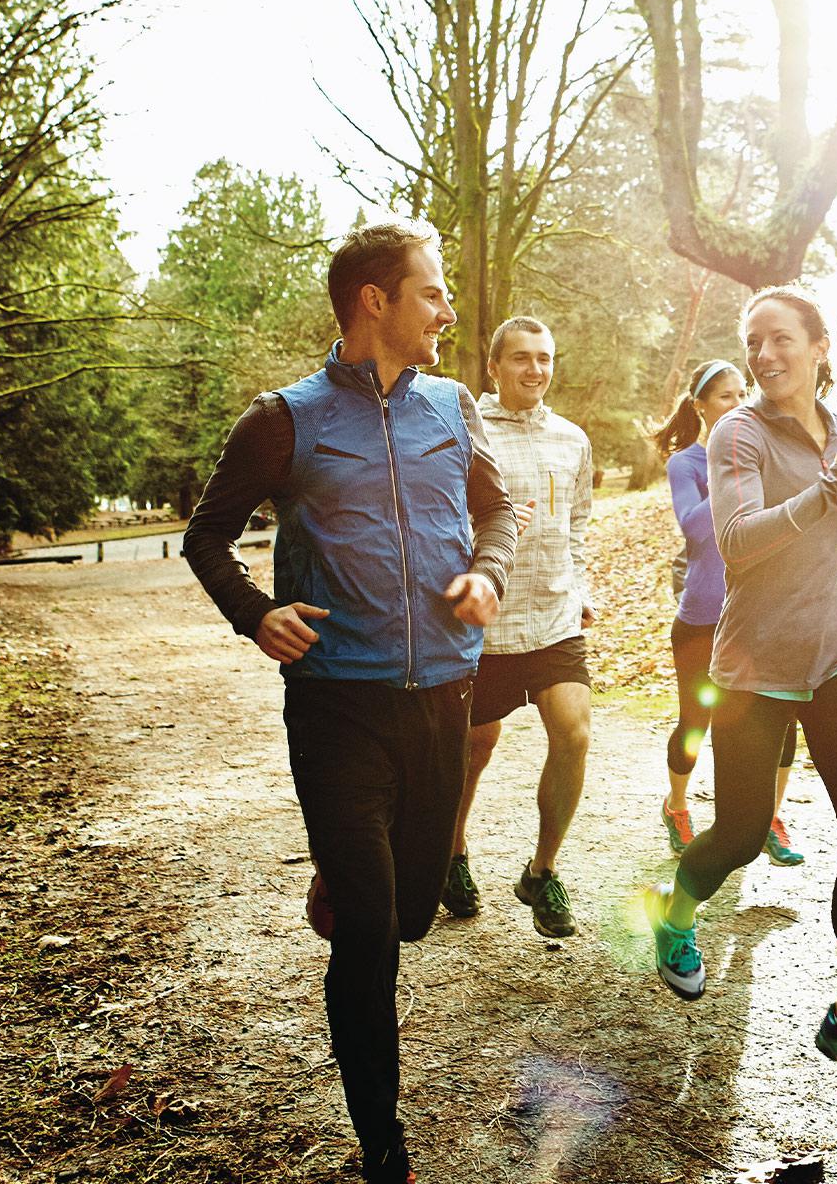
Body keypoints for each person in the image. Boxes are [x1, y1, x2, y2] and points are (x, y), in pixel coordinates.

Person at [184, 220, 515, 1183]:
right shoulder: (283, 419)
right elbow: (206, 536)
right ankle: (385, 1146)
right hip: (337, 706)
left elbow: (495, 512)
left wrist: (488, 575)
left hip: (443, 693)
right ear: (376, 300)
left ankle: (347, 873)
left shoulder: (453, 406)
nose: (448, 311)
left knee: (410, 909)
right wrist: (256, 613)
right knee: (373, 938)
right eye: (433, 293)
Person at [642, 285, 837, 1111]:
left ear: (820, 346)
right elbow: (738, 543)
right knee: (744, 835)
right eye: (753, 341)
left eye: (781, 338)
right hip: (753, 668)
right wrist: (833, 482)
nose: (764, 355)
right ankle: (677, 913)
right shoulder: (736, 431)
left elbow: (834, 531)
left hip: (836, 656)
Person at [440, 316, 595, 941]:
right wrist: (494, 536)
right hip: (487, 625)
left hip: (555, 616)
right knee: (473, 750)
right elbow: (442, 519)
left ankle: (543, 869)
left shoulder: (572, 438)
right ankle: (452, 855)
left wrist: (580, 586)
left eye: (545, 358)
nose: (536, 370)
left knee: (575, 731)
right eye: (522, 359)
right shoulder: (465, 431)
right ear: (495, 367)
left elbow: (578, 523)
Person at [651, 359, 804, 867]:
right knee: (697, 722)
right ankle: (676, 806)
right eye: (724, 397)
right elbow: (696, 530)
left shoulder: (765, 455)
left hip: (762, 613)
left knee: (782, 726)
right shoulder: (686, 465)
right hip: (702, 617)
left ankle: (768, 819)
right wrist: (730, 470)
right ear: (699, 406)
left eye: (743, 394)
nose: (738, 404)